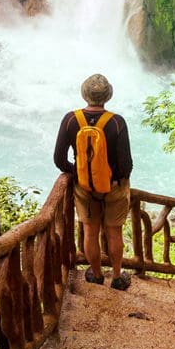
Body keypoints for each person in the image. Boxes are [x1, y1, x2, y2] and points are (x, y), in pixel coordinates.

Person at [54, 73, 133, 290]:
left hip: (84, 188)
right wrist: (115, 179)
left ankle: (96, 275)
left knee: (90, 231)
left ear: (84, 94)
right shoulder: (116, 122)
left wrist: (79, 174)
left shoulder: (71, 119)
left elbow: (59, 159)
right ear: (107, 95)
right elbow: (126, 164)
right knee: (114, 232)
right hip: (114, 187)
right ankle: (117, 277)